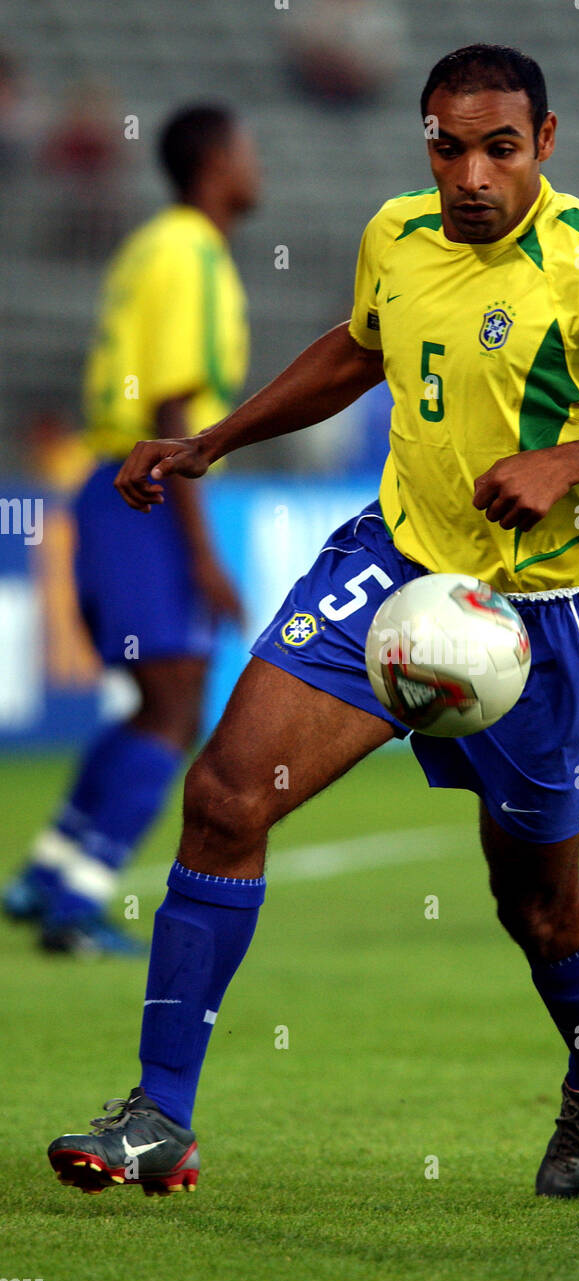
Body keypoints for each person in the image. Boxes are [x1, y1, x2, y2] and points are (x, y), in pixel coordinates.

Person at [46, 46, 579, 1199]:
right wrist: (212, 443)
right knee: (227, 792)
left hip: (544, 623)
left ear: (544, 142)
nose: (470, 172)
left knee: (534, 902)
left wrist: (571, 459)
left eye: (497, 147)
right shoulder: (396, 232)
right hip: (393, 566)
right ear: (423, 140)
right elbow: (359, 348)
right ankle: (161, 1115)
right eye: (447, 145)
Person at [4, 104, 259, 955]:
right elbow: (173, 403)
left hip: (112, 488)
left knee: (155, 701)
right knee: (172, 704)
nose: (258, 166)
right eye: (248, 151)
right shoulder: (191, 250)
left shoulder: (159, 244)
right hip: (144, 489)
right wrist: (205, 554)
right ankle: (79, 898)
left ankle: (50, 874)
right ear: (218, 162)